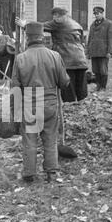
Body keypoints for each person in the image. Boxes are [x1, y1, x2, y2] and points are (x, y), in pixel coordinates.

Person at [11, 22, 70, 183]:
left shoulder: (20, 58)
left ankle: (29, 172)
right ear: (42, 37)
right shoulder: (54, 56)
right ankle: (51, 172)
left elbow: (15, 87)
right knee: (50, 138)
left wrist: (14, 111)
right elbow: (64, 82)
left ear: (27, 38)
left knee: (30, 139)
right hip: (50, 103)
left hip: (30, 103)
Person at [16, 7, 88, 103]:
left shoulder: (57, 23)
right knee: (81, 88)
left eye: (56, 16)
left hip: (67, 59)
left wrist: (25, 25)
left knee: (68, 88)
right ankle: (82, 109)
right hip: (81, 59)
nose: (54, 18)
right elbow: (82, 41)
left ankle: (70, 109)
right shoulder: (77, 24)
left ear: (60, 16)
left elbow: (39, 27)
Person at [87, 6, 112, 91]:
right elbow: (90, 39)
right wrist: (88, 52)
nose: (96, 15)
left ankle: (103, 86)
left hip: (103, 52)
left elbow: (110, 38)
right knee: (95, 70)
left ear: (102, 13)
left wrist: (110, 51)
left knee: (103, 70)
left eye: (98, 13)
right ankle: (98, 85)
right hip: (94, 52)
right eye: (95, 14)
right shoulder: (92, 25)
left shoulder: (108, 24)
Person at [0, 25, 16, 91]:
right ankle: (0, 84)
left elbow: (11, 44)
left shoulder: (6, 37)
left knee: (7, 70)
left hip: (6, 56)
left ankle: (7, 85)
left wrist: (13, 41)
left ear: (1, 31)